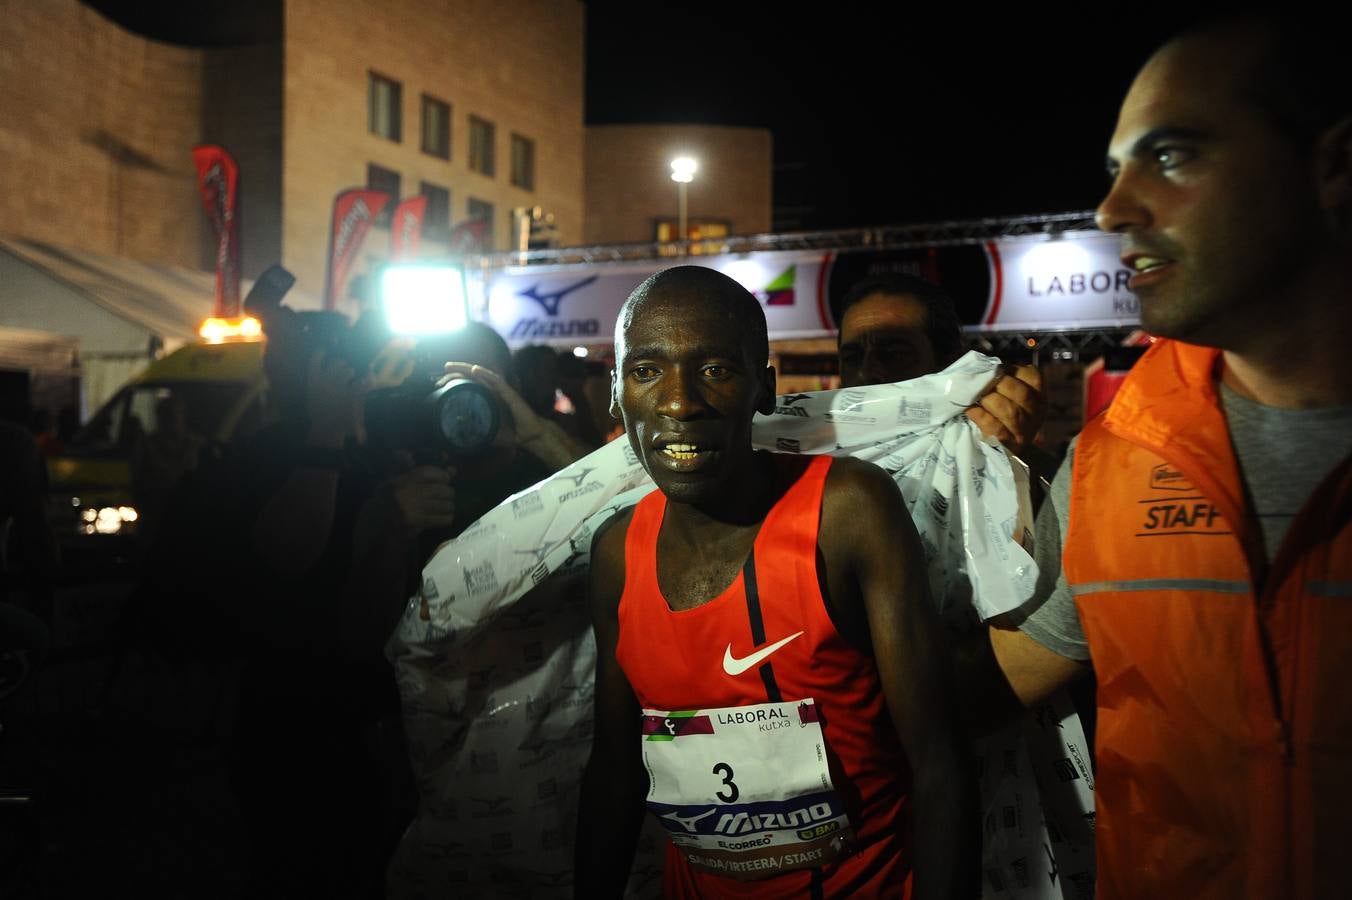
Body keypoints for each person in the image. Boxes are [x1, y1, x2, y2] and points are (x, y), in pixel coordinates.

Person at [968, 15, 1352, 898]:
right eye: (1115, 169)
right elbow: (1007, 673)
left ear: (1332, 166)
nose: (1113, 209)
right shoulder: (1114, 456)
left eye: (1171, 156)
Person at [576, 266, 977, 898]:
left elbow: (939, 764)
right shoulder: (616, 552)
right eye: (647, 370)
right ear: (617, 392)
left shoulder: (847, 510)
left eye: (715, 369)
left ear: (764, 389)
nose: (680, 402)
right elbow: (616, 772)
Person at [834, 273, 1056, 481]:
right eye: (852, 358)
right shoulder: (816, 464)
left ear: (950, 363)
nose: (867, 372)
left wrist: (1014, 462)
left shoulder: (1006, 453)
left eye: (894, 354)